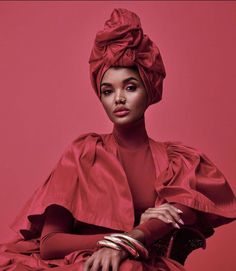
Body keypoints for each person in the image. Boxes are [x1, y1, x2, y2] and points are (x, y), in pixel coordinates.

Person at [0, 8, 236, 271]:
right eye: (107, 90)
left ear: (149, 89)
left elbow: (183, 212)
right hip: (81, 263)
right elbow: (50, 244)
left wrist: (135, 239)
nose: (119, 98)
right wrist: (119, 241)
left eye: (130, 87)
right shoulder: (83, 153)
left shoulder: (179, 161)